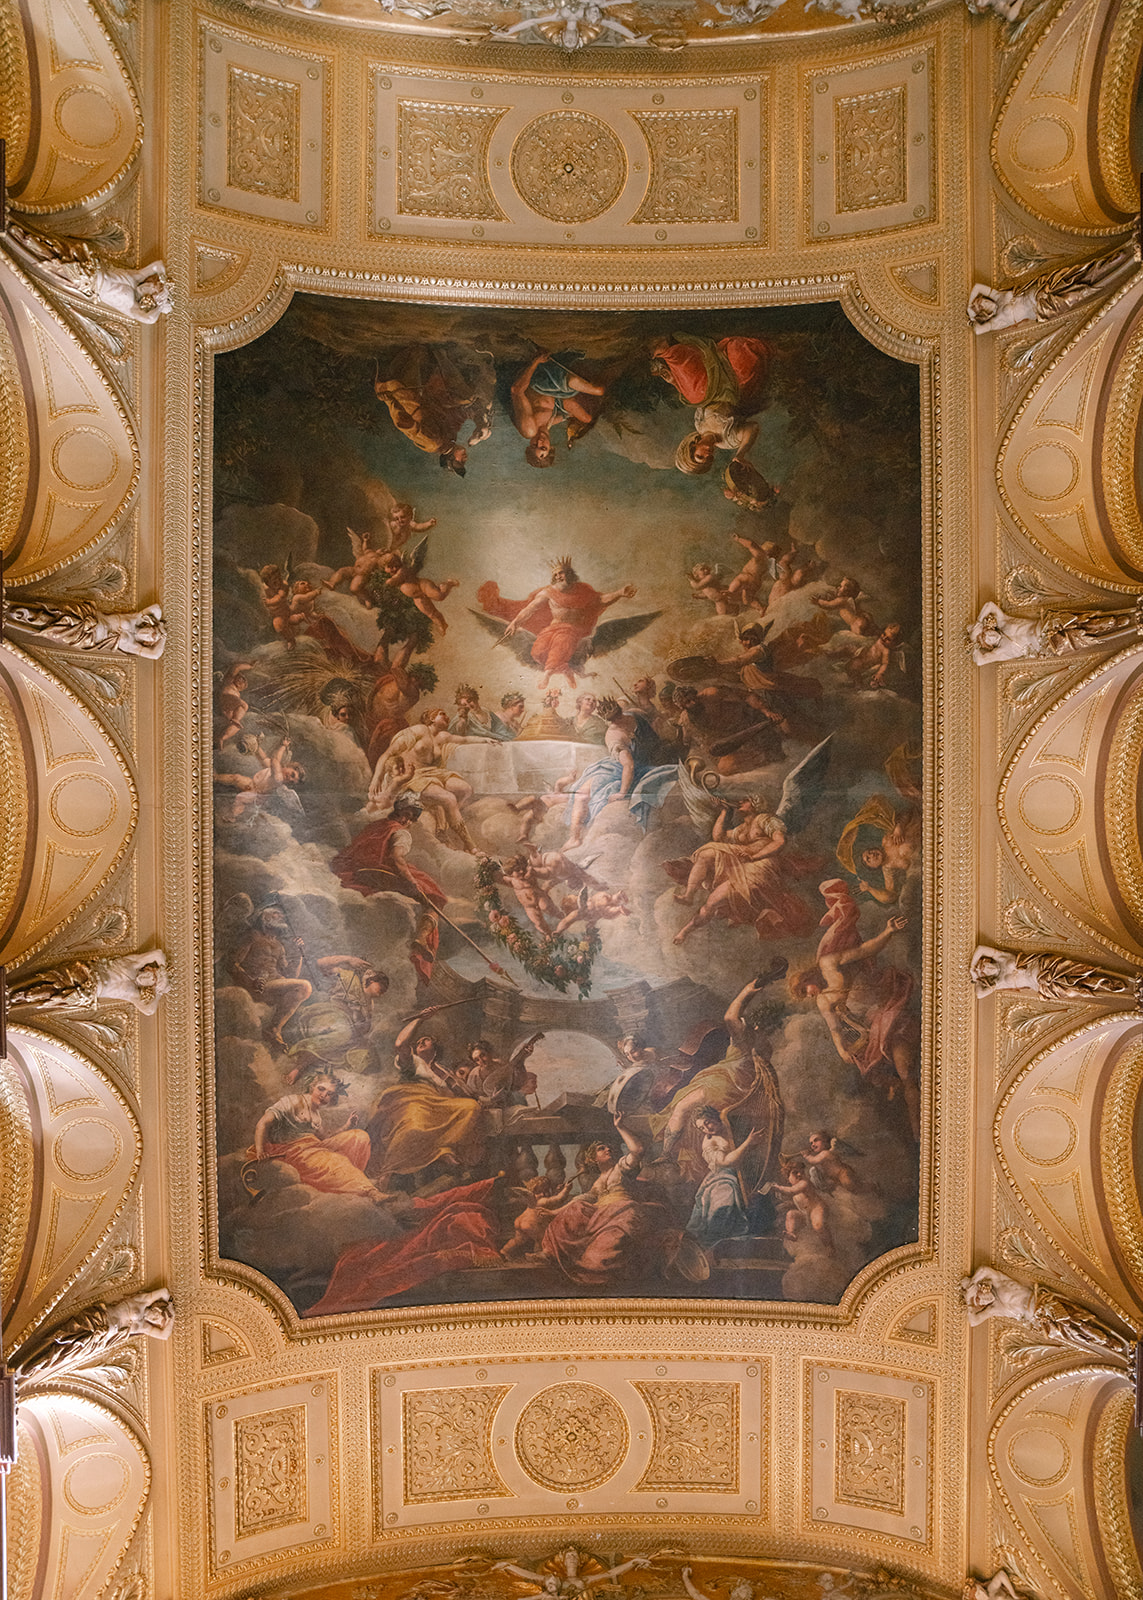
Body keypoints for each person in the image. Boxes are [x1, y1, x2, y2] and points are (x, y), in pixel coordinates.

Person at [541, 1111, 680, 1287]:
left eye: (609, 1147)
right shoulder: (598, 1180)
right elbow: (586, 1197)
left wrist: (620, 1126)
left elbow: (638, 1150)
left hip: (622, 1211)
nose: (608, 1149)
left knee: (606, 1246)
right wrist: (553, 1211)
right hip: (601, 1213)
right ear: (593, 1158)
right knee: (575, 1209)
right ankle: (549, 1252)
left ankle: (595, 1269)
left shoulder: (622, 1167)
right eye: (601, 1149)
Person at [364, 1006, 486, 1187]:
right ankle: (389, 1170)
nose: (420, 1041)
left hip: (437, 1104)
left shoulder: (442, 1072)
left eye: (426, 1041)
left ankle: (442, 1147)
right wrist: (420, 1019)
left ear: (435, 1050)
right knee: (415, 1124)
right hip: (412, 1100)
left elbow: (464, 1093)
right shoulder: (413, 1061)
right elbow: (400, 1044)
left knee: (471, 1108)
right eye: (419, 1040)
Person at [482, 556, 639, 690]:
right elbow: (530, 609)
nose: (558, 576)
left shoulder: (583, 590)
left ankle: (547, 674)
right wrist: (515, 623)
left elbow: (601, 600)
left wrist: (620, 593)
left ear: (569, 574)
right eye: (555, 574)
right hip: (552, 628)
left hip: (572, 630)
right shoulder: (549, 592)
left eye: (561, 573)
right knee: (537, 652)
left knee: (561, 643)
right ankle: (565, 669)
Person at [248, 1070, 383, 1200]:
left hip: (312, 1146)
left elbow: (325, 1138)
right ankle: (370, 1192)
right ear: (312, 1086)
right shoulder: (292, 1101)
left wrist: (347, 1126)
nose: (324, 1095)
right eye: (321, 1089)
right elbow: (263, 1123)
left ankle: (346, 1178)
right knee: (336, 1160)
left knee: (359, 1137)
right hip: (293, 1151)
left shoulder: (316, 1116)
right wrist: (260, 1150)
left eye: (329, 1094)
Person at [651, 332, 771, 475]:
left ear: (692, 447)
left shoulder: (700, 425)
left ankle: (670, 351)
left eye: (700, 456)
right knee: (741, 356)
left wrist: (674, 381)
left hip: (713, 385)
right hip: (737, 390)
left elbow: (701, 398)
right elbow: (753, 427)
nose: (707, 455)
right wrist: (741, 454)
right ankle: (671, 352)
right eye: (708, 460)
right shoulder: (727, 441)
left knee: (694, 396)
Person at [564, 697, 677, 847]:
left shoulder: (633, 718)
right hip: (618, 769)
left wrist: (622, 793)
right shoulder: (617, 733)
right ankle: (575, 837)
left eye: (620, 717)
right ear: (610, 720)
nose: (620, 721)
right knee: (580, 794)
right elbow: (627, 764)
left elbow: (629, 766)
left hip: (630, 771)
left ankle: (574, 838)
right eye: (616, 720)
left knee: (581, 796)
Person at [373, 343, 494, 476]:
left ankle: (430, 358)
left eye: (460, 462)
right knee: (468, 397)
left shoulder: (433, 443)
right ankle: (441, 356)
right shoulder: (450, 438)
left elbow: (403, 423)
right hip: (428, 396)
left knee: (416, 354)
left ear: (450, 458)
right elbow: (458, 414)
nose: (465, 459)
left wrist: (389, 399)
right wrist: (479, 420)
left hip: (409, 397)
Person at [228, 906, 312, 1050]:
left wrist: (299, 954)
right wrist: (250, 981)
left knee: (302, 987)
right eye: (276, 914)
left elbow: (291, 976)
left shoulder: (278, 945)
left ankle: (273, 1029)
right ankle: (274, 1029)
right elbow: (232, 963)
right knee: (305, 985)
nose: (282, 917)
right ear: (264, 918)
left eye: (282, 914)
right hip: (259, 986)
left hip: (275, 984)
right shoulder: (253, 936)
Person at [511, 348, 606, 466]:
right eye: (543, 448)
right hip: (554, 390)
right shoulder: (550, 424)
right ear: (551, 448)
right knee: (587, 417)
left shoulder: (529, 430)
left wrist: (535, 362)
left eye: (535, 445)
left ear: (530, 443)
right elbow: (569, 414)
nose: (540, 442)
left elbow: (516, 390)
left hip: (537, 380)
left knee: (599, 391)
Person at [686, 1107, 766, 1245]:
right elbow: (726, 1162)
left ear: (715, 1117)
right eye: (701, 1128)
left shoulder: (730, 1125)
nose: (706, 1129)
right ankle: (715, 1243)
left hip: (744, 1173)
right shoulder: (709, 1142)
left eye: (707, 1122)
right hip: (723, 1177)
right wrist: (748, 1142)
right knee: (723, 1202)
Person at [449, 683, 516, 740]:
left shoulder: (487, 712)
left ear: (475, 698)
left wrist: (511, 738)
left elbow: (500, 728)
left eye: (469, 701)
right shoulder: (463, 716)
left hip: (494, 742)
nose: (469, 706)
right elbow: (457, 733)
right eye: (464, 705)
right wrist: (462, 721)